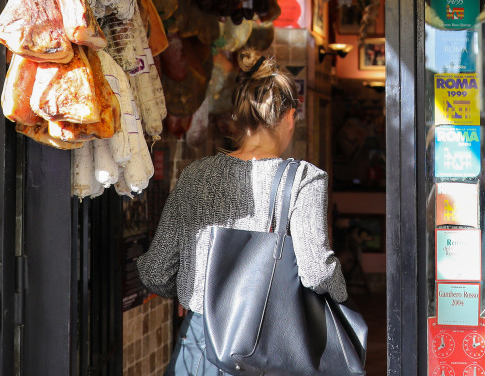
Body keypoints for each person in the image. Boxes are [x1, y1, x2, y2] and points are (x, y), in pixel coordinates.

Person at [137, 59, 347, 376]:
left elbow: (155, 271)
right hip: (270, 350)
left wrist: (194, 291)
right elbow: (317, 272)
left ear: (239, 119)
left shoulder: (195, 176)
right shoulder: (304, 179)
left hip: (201, 346)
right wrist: (342, 300)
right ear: (290, 116)